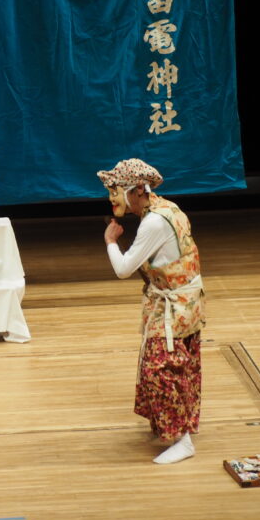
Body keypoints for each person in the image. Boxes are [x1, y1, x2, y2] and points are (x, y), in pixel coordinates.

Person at [98, 159, 205, 464]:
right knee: (178, 365)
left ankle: (182, 439)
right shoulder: (168, 208)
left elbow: (123, 269)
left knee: (159, 369)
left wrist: (110, 242)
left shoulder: (154, 222)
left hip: (175, 306)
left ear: (138, 190)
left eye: (116, 190)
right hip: (185, 301)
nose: (112, 198)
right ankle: (167, 425)